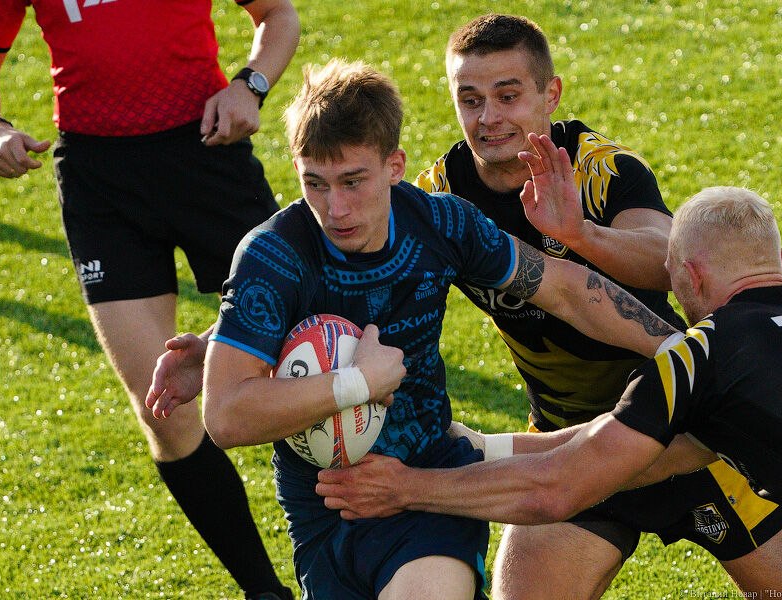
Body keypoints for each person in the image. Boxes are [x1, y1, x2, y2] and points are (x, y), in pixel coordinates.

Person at [197, 58, 679, 600]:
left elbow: (567, 290)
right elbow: (225, 417)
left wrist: (683, 350)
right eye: (315, 183)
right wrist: (356, 383)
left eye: (353, 181)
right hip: (326, 507)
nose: (335, 208)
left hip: (429, 494)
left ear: (394, 165)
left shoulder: (442, 223)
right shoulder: (273, 255)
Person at [412, 14, 782, 599]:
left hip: (687, 432)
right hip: (568, 442)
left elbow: (666, 256)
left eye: (508, 96)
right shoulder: (440, 198)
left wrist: (581, 234)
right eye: (470, 99)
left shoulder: (603, 170)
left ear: (550, 94)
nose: (488, 118)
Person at [317, 185, 782, 596]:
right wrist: (479, 447)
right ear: (779, 262)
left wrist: (407, 488)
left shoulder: (702, 356)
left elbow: (556, 489)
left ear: (688, 276)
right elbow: (666, 457)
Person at [0, 2, 300, 598]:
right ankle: (265, 592)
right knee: (164, 412)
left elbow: (277, 14)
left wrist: (249, 86)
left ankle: (370, 559)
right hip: (98, 182)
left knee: (309, 354)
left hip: (205, 149)